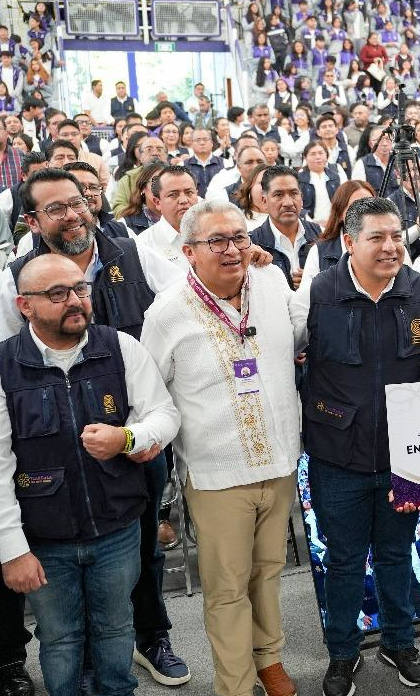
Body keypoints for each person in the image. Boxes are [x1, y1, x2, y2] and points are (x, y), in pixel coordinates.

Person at [0, 253, 179, 696]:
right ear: (25, 306)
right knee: (60, 640)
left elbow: (163, 413)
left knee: (116, 627)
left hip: (117, 527)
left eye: (80, 289)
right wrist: (12, 551)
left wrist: (128, 438)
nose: (76, 300)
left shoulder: (119, 346)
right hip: (43, 539)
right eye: (57, 294)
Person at [139, 200, 302, 696]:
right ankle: (234, 683)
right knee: (228, 588)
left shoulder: (272, 285)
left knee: (269, 572)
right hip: (215, 474)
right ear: (188, 251)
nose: (232, 249)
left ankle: (268, 658)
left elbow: (304, 333)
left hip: (278, 462)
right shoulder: (166, 313)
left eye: (240, 237)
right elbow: (149, 395)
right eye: (218, 241)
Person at [290, 197, 420, 696]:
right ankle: (342, 654)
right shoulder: (316, 294)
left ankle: (401, 643)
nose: (391, 246)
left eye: (396, 236)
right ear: (349, 243)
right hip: (338, 455)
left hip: (404, 455)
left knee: (398, 555)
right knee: (344, 560)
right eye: (377, 237)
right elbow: (282, 358)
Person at [250, 165, 321, 290]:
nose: (288, 203)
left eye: (294, 193)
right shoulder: (252, 244)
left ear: (302, 199)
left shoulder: (322, 236)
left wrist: (319, 281)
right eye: (278, 195)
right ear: (264, 201)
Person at [301, 180, 376, 285]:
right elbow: (306, 298)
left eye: (370, 205)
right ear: (340, 214)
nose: (365, 213)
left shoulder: (391, 247)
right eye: (355, 207)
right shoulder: (319, 251)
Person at [135, 165, 199, 264]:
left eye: (189, 192)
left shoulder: (214, 233)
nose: (183, 200)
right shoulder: (144, 245)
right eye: (173, 194)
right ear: (158, 202)